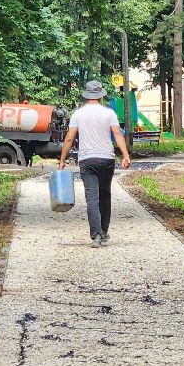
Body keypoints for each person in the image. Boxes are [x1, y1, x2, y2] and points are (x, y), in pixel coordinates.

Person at [58, 80, 131, 247]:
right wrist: (125, 155)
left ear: (86, 95)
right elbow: (118, 135)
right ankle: (104, 232)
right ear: (101, 96)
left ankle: (96, 235)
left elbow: (69, 138)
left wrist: (62, 160)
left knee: (92, 197)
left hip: (87, 160)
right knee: (105, 194)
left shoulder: (78, 114)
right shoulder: (109, 113)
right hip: (106, 159)